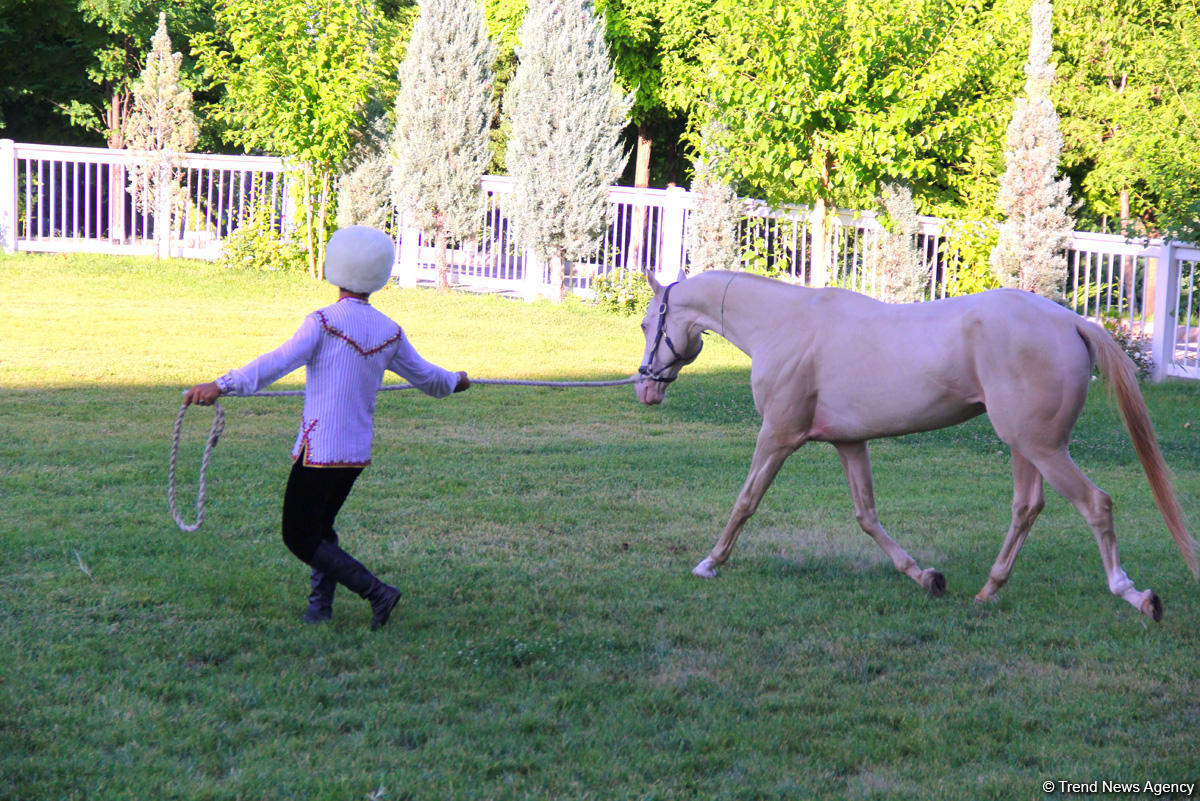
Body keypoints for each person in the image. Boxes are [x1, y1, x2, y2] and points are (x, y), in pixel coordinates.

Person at [184, 225, 470, 630]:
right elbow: (429, 379)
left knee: (298, 536)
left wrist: (221, 385)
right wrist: (457, 381)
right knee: (320, 529)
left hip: (319, 449)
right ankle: (320, 607)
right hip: (354, 454)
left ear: (335, 266)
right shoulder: (390, 332)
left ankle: (376, 591)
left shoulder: (322, 322)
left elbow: (276, 363)